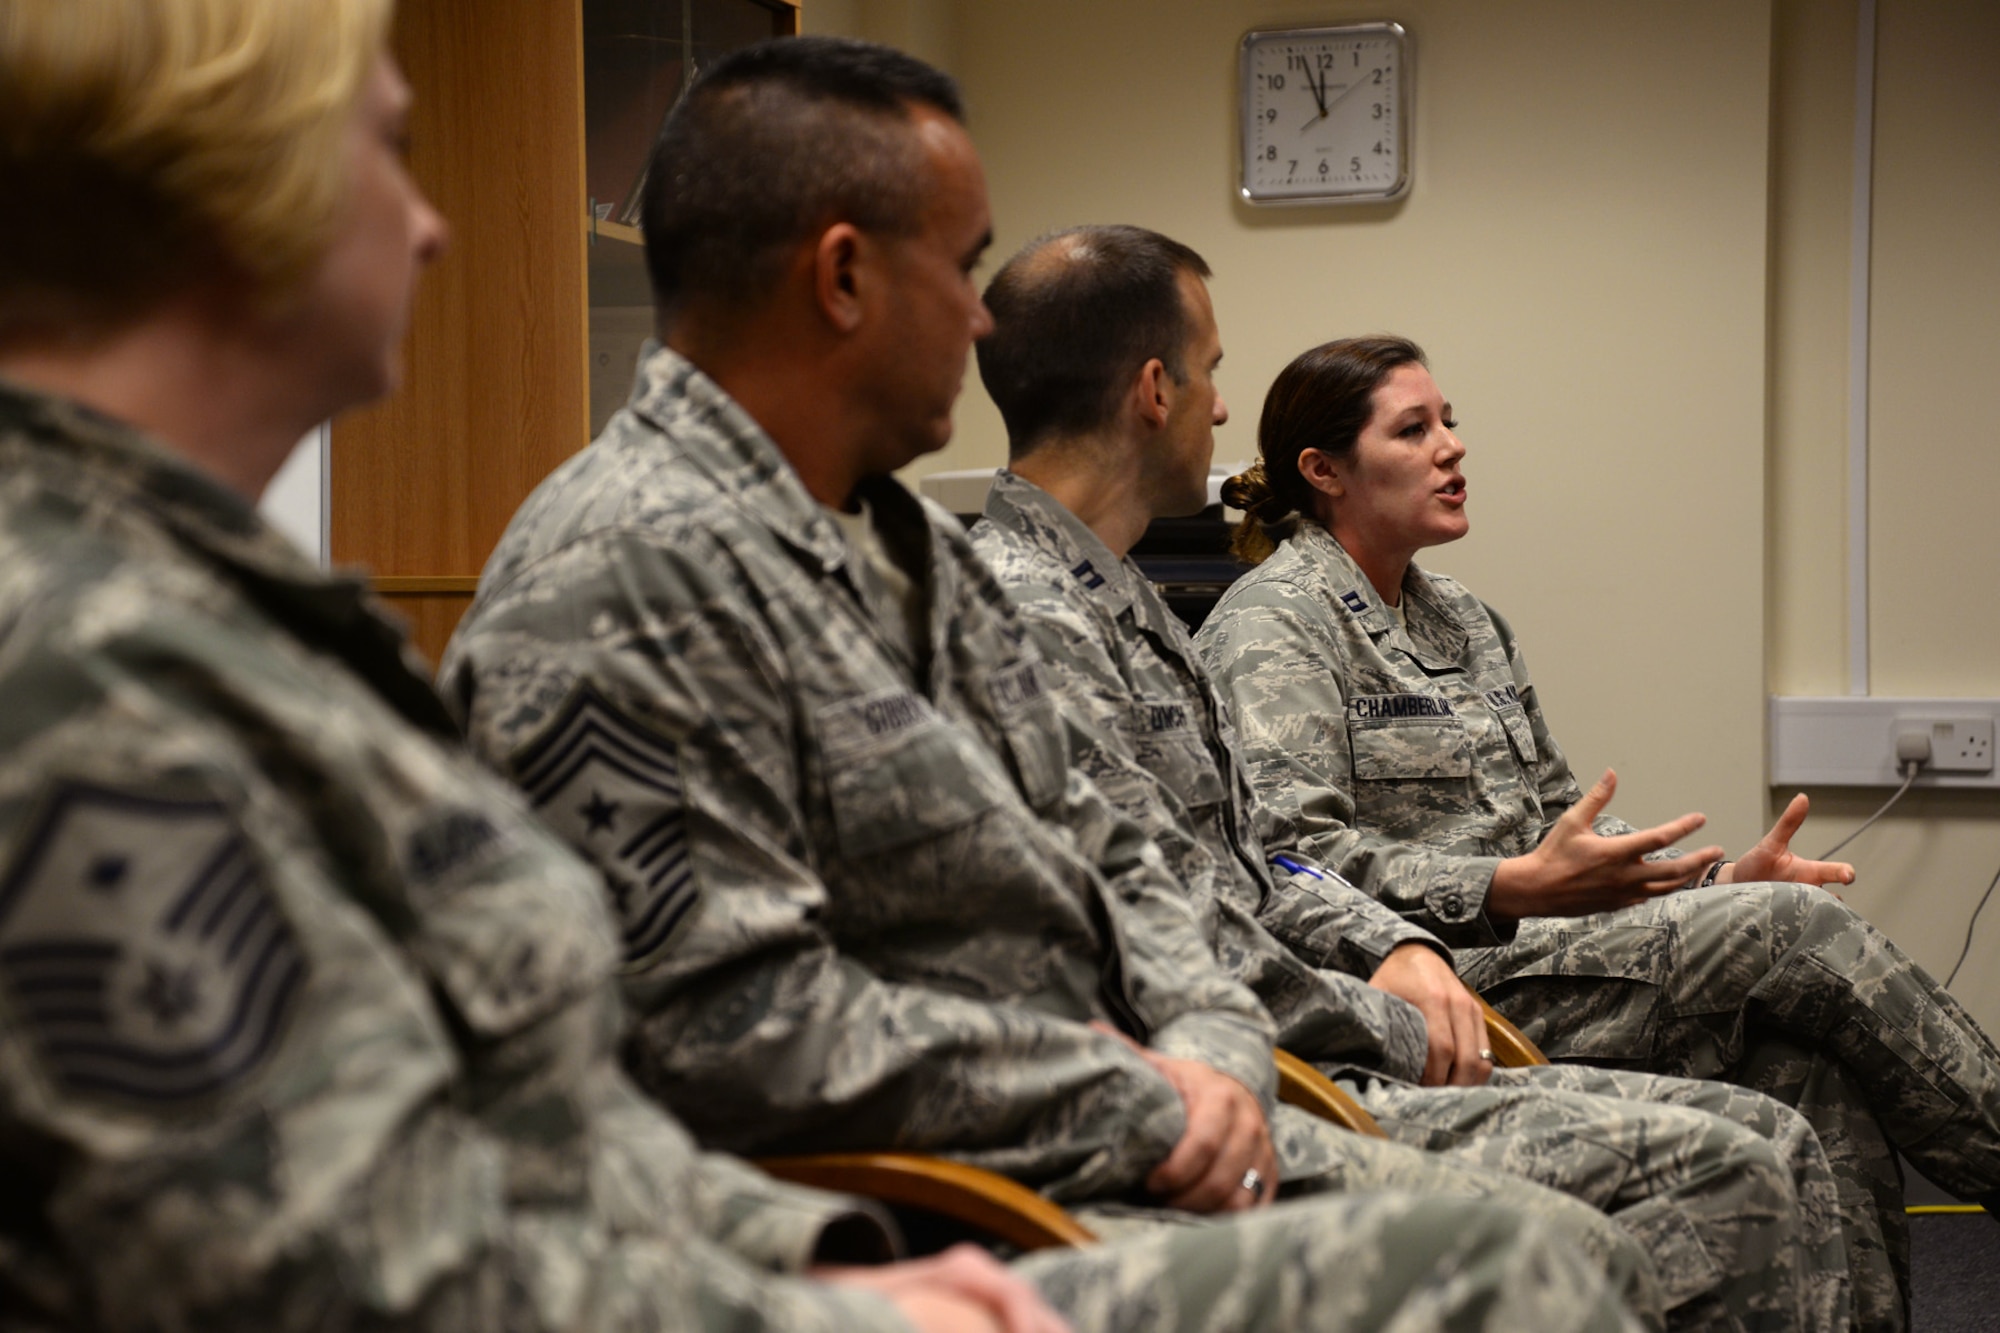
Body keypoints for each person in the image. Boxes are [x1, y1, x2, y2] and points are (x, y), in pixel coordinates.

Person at [0, 6, 1645, 1330]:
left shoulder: (225, 606)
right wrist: (823, 1284)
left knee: (1597, 1218)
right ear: (220, 189)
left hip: (898, 1195)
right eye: (386, 153)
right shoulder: (99, 655)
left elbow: (558, 1108)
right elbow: (327, 1244)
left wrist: (809, 1245)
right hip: (949, 1180)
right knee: (1529, 1268)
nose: (432, 228)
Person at [967, 224, 1855, 1333]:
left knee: (1782, 1110)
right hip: (1237, 1075)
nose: (1220, 409)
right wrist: (1407, 963)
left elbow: (1261, 861)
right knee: (1707, 1153)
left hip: (1344, 1008)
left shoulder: (1130, 600)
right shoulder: (1030, 613)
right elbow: (1167, 927)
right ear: (1155, 388)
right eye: (1212, 372)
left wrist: (1687, 878)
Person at [1195, 332, 2000, 1331]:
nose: (1450, 446)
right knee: (1794, 930)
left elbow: (1554, 820)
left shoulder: (1468, 623)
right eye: (1414, 428)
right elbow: (1288, 858)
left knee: (1804, 1071)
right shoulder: (1272, 625)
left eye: (1449, 420)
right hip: (1431, 980)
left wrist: (1701, 885)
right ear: (1322, 471)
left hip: (1547, 954)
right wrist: (1502, 886)